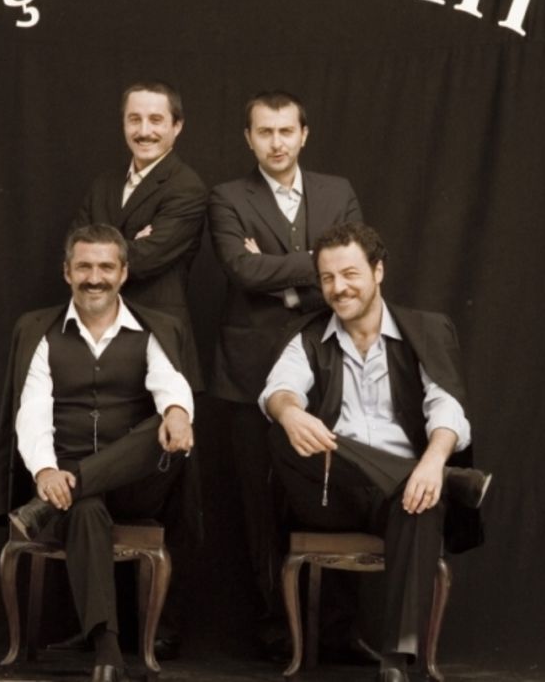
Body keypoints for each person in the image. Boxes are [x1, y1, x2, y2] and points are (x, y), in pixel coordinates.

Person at [260, 221, 491, 682]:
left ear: (378, 271)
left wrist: (433, 462)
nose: (338, 288)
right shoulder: (308, 336)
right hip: (332, 492)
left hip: (400, 495)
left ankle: (395, 662)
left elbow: (447, 407)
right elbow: (278, 389)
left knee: (422, 498)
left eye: (350, 274)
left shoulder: (424, 330)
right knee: (281, 430)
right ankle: (450, 482)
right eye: (327, 278)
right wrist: (289, 412)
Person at [0, 225, 197, 682]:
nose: (94, 277)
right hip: (65, 487)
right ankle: (107, 650)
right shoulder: (41, 333)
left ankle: (68, 490)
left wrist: (178, 414)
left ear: (123, 273)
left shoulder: (152, 330)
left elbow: (171, 384)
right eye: (84, 266)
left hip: (136, 485)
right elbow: (32, 411)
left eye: (106, 267)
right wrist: (46, 471)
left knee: (160, 423)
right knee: (83, 507)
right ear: (67, 272)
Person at [207, 90, 362, 648]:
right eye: (265, 132)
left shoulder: (337, 191)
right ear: (249, 139)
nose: (277, 142)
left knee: (330, 494)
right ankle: (278, 630)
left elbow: (354, 265)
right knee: (260, 502)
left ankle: (337, 633)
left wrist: (282, 277)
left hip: (327, 364)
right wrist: (316, 268)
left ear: (304, 134)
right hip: (249, 371)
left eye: (286, 131)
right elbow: (241, 269)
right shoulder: (227, 196)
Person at [71, 80, 207, 391]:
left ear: (177, 126)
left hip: (156, 335)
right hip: (94, 333)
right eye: (135, 119)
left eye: (156, 120)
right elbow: (74, 252)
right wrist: (130, 241)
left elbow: (145, 259)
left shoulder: (187, 187)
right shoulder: (103, 184)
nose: (144, 131)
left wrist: (103, 245)